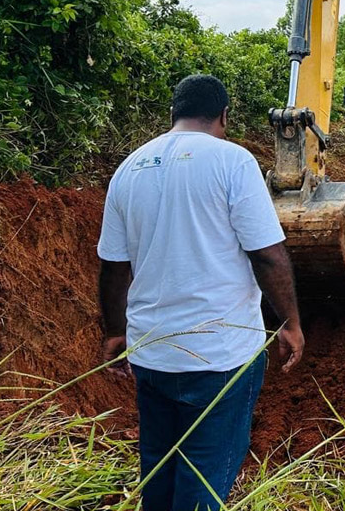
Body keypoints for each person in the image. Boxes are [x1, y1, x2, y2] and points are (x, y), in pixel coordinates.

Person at [97, 74, 304, 510]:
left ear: (172, 113)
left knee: (159, 470)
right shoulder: (234, 162)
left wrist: (115, 333)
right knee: (205, 480)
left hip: (151, 353)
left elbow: (114, 266)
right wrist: (289, 323)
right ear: (224, 116)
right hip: (220, 357)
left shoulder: (129, 167)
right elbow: (268, 256)